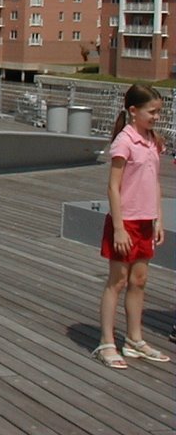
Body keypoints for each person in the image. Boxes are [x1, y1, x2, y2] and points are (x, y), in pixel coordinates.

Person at [93, 83, 169, 368]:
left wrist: (159, 217)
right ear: (133, 111)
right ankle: (106, 341)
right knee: (118, 281)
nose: (157, 117)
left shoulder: (152, 141)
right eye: (152, 112)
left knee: (139, 281)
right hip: (125, 222)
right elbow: (113, 187)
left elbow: (155, 183)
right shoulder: (124, 142)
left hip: (146, 221)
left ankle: (134, 339)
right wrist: (119, 227)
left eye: (159, 112)